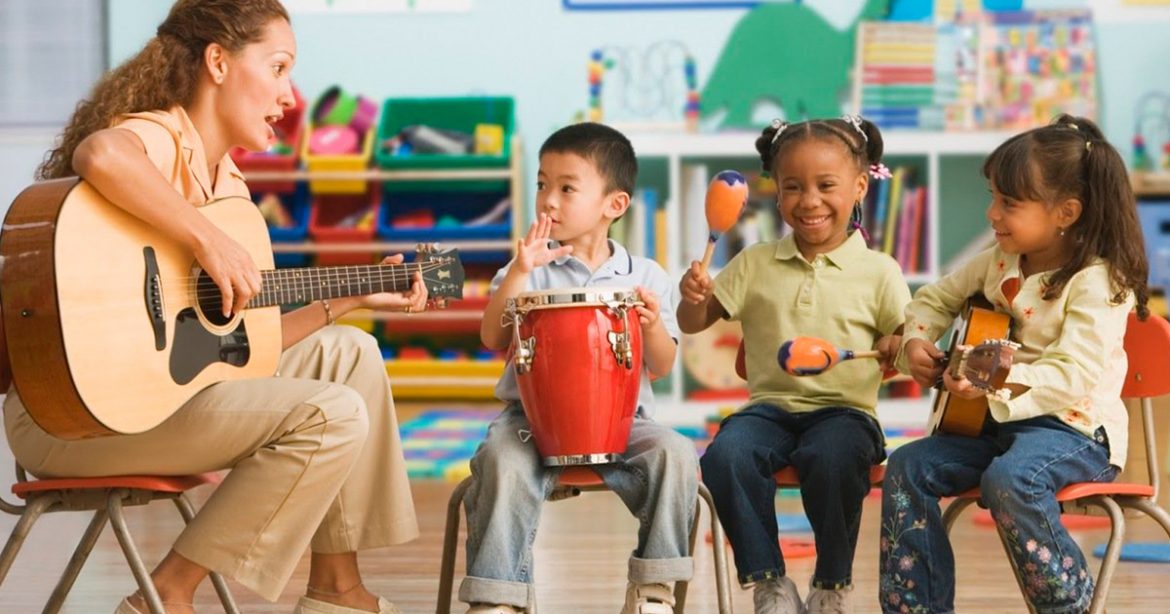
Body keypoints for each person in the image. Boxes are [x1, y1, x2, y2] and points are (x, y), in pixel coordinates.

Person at [6, 2, 423, 613]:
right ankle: (167, 595)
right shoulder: (160, 135)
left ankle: (338, 592)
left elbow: (244, 346)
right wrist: (206, 239)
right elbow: (100, 154)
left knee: (350, 354)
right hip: (75, 417)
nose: (289, 93)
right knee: (327, 414)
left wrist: (351, 297)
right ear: (219, 62)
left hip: (160, 403)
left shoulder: (229, 186)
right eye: (278, 67)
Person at [878, 114, 1150, 614]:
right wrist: (913, 343)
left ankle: (1070, 607)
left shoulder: (1098, 281)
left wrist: (990, 380)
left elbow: (1072, 374)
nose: (992, 213)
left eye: (1009, 203)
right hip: (995, 429)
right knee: (907, 466)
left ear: (1065, 212)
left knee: (1011, 479)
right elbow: (934, 299)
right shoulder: (998, 261)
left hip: (1075, 431)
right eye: (993, 197)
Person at [677, 116, 910, 614]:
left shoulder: (879, 271)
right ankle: (770, 583)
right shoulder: (755, 261)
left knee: (833, 456)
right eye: (792, 187)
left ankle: (831, 584)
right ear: (775, 193)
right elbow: (694, 322)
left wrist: (898, 344)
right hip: (769, 411)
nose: (809, 200)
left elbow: (909, 341)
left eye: (826, 186)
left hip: (845, 413)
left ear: (860, 186)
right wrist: (692, 295)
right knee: (726, 457)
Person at [462, 122, 697, 614]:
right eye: (542, 184)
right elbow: (492, 336)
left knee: (676, 453)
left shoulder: (646, 275)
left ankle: (653, 590)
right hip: (530, 424)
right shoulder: (527, 267)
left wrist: (652, 325)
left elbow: (663, 364)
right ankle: (497, 597)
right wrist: (521, 272)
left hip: (623, 424)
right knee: (500, 460)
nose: (548, 200)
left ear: (614, 205)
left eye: (566, 188)